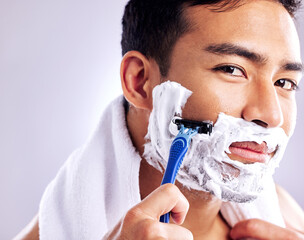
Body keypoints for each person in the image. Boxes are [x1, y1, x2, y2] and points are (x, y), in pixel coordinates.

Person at [15, 0, 304, 239]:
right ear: (140, 82)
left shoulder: (287, 220)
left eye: (286, 83)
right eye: (231, 69)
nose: (271, 115)